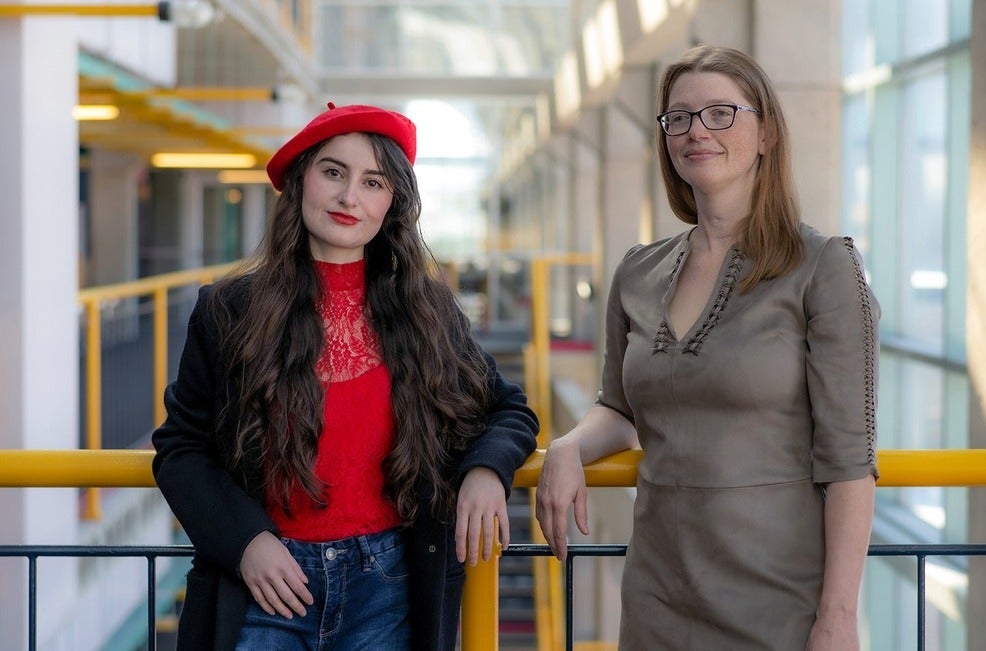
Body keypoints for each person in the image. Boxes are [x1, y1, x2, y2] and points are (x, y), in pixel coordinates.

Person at [152, 102, 539, 651]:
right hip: (265, 584)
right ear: (302, 180)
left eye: (373, 182)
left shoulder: (426, 310)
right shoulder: (228, 310)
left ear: (392, 204)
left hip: (388, 589)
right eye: (333, 172)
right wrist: (246, 543)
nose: (348, 196)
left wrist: (486, 470)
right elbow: (181, 448)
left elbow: (510, 409)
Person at [535, 45, 879, 651]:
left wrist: (839, 617)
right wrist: (567, 447)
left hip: (778, 598)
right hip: (656, 595)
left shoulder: (823, 266)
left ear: (767, 130)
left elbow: (850, 461)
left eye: (721, 113)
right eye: (679, 117)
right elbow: (617, 410)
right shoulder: (637, 271)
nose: (697, 131)